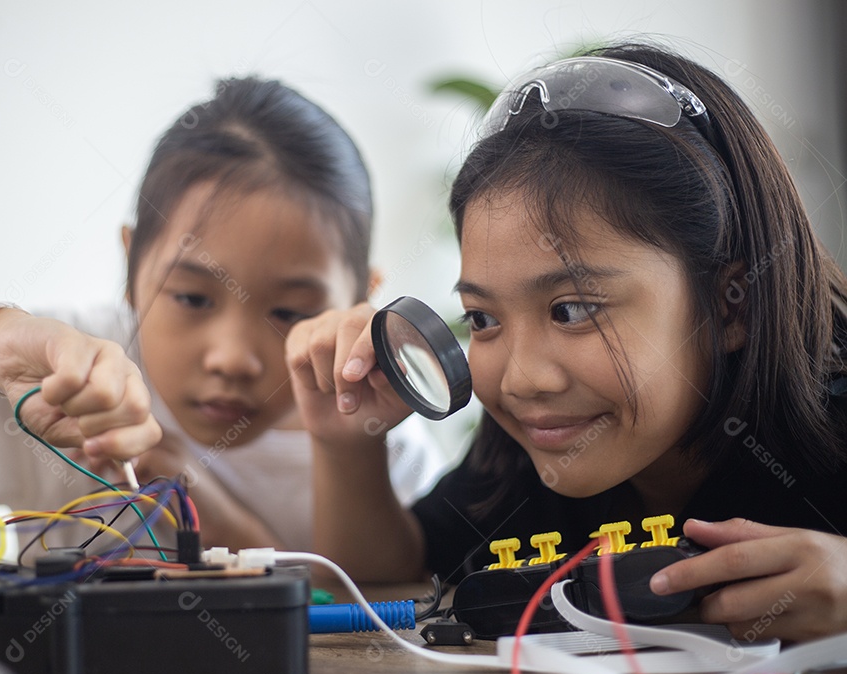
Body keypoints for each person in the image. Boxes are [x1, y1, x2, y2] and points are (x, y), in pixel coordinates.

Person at [288, 43, 847, 642]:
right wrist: (348, 444)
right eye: (482, 318)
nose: (522, 379)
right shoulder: (533, 451)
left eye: (572, 310)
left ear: (732, 306)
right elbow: (394, 573)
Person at [0, 77, 445, 553]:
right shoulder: (76, 361)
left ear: (361, 298)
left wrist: (255, 512)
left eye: (288, 311)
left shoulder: (378, 425)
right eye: (193, 298)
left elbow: (387, 598)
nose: (232, 357)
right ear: (132, 268)